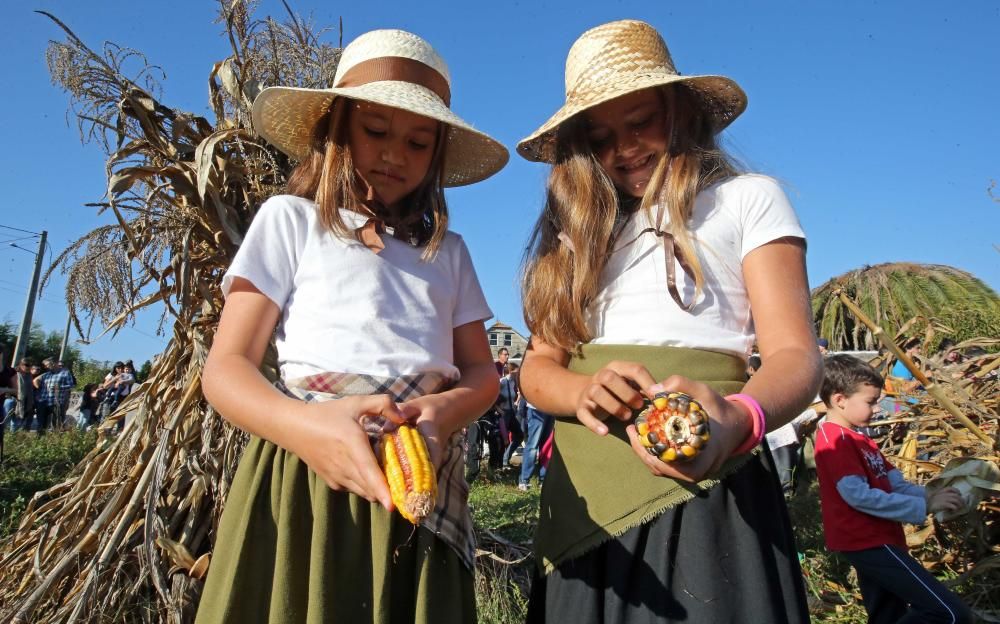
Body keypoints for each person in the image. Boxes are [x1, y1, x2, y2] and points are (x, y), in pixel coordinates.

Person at [195, 29, 507, 624]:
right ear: (335, 128)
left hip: (421, 480)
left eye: (418, 143)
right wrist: (306, 429)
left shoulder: (449, 254)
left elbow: (481, 374)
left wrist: (444, 412)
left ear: (438, 154)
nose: (395, 154)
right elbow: (226, 369)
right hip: (306, 473)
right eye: (376, 131)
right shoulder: (290, 222)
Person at [516, 20, 822, 622]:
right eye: (599, 135)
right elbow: (538, 368)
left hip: (710, 482)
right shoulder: (579, 235)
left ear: (682, 112)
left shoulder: (748, 200)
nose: (624, 147)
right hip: (589, 501)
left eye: (640, 122)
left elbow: (795, 356)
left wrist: (738, 417)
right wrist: (582, 392)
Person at [814, 354, 973, 624]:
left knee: (888, 616)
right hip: (866, 540)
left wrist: (930, 495)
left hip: (881, 538)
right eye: (871, 401)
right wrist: (925, 506)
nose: (877, 409)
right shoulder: (835, 441)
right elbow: (858, 496)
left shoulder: (860, 438)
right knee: (949, 613)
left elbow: (894, 483)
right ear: (840, 400)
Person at [518, 403, 553, 491]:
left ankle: (543, 479)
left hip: (551, 409)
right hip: (536, 408)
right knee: (533, 446)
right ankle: (524, 480)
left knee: (547, 446)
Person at [499, 362, 524, 468]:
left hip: (511, 412)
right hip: (503, 413)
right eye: (516, 372)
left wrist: (515, 403)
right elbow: (493, 396)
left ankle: (506, 458)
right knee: (502, 438)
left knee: (519, 435)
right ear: (510, 371)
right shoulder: (502, 382)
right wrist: (498, 409)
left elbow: (516, 394)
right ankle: (500, 464)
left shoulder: (513, 382)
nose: (517, 374)